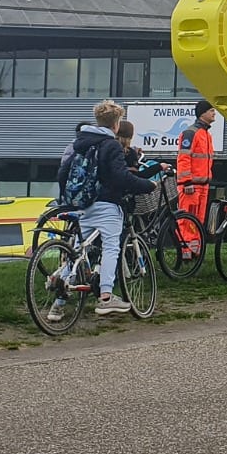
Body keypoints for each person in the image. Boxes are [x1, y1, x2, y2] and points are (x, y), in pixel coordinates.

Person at [54, 99, 157, 316]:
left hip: (81, 204)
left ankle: (58, 303)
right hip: (106, 204)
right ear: (116, 124)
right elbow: (121, 177)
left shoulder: (79, 142)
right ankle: (106, 297)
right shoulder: (111, 145)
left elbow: (63, 172)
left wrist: (68, 198)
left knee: (78, 251)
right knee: (111, 247)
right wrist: (147, 185)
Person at [176, 100, 216, 228]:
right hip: (191, 186)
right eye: (211, 110)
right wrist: (186, 182)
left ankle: (195, 247)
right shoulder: (191, 133)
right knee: (188, 221)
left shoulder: (206, 134)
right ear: (202, 114)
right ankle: (186, 247)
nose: (214, 113)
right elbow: (184, 158)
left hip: (201, 186)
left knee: (198, 222)